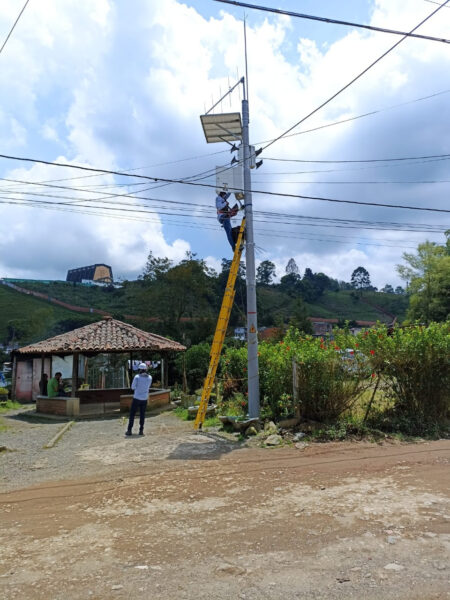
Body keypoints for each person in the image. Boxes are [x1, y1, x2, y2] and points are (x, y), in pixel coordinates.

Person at [126, 363, 152, 437]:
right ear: (146, 369)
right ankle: (141, 430)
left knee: (132, 414)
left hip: (137, 398)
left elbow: (133, 387)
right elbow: (148, 386)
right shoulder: (150, 377)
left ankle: (129, 430)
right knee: (142, 414)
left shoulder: (137, 377)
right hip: (144, 398)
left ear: (140, 369)